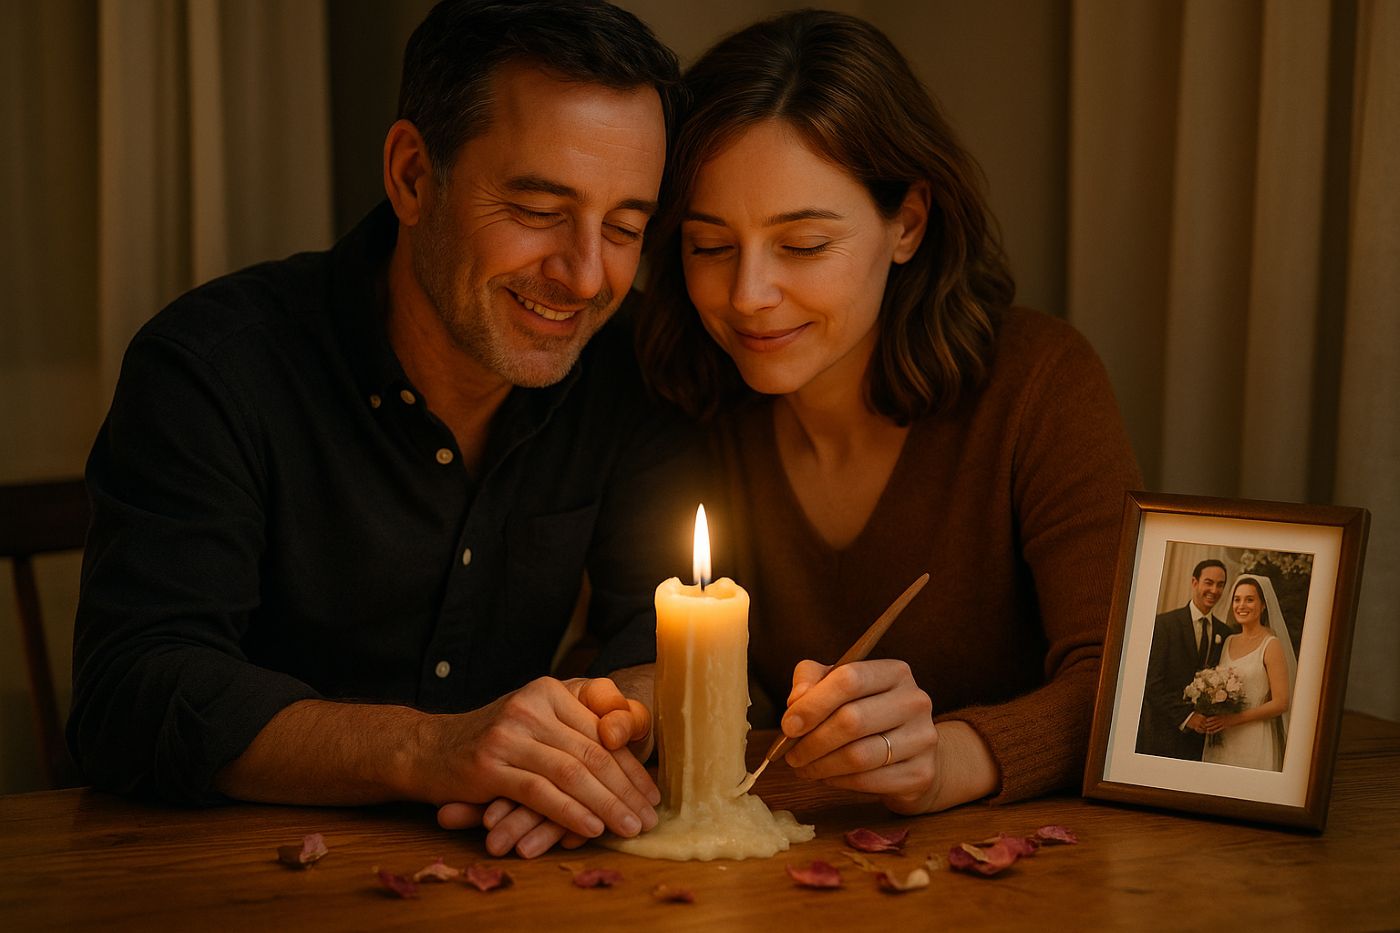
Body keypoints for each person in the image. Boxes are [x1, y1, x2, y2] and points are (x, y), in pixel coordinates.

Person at [68, 0, 694, 860]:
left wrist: (592, 745)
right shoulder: (212, 366)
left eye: (625, 227)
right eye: (539, 208)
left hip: (515, 871)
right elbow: (135, 690)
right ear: (410, 175)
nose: (586, 275)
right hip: (228, 881)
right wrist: (430, 750)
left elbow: (663, 642)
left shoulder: (631, 372)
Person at [632, 9, 1142, 814]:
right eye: (710, 245)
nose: (747, 297)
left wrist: (951, 759)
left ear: (906, 221)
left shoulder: (1038, 384)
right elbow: (637, 666)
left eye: (801, 245)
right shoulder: (682, 391)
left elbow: (1122, 685)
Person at [1137, 559, 1238, 761]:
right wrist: (1187, 717)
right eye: (1208, 582)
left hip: (1205, 742)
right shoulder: (1164, 624)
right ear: (1194, 582)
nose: (1214, 590)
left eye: (1220, 585)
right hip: (1163, 734)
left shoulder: (1225, 633)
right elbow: (1151, 682)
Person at [1202, 574, 1296, 771]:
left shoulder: (1271, 644)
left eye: (1249, 599)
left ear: (1263, 605)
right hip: (1223, 735)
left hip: (1253, 737)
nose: (1241, 605)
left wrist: (1233, 720)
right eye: (1237, 599)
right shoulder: (1228, 641)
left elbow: (1281, 703)